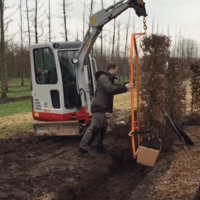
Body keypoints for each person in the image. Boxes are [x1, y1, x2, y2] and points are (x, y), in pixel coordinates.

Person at [78, 62, 134, 157]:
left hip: (102, 108)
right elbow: (111, 89)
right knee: (95, 128)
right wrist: (125, 88)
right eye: (116, 70)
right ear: (111, 70)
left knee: (103, 127)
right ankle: (83, 148)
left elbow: (115, 85)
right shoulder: (104, 78)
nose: (117, 72)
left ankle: (98, 145)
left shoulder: (107, 78)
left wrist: (125, 85)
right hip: (99, 107)